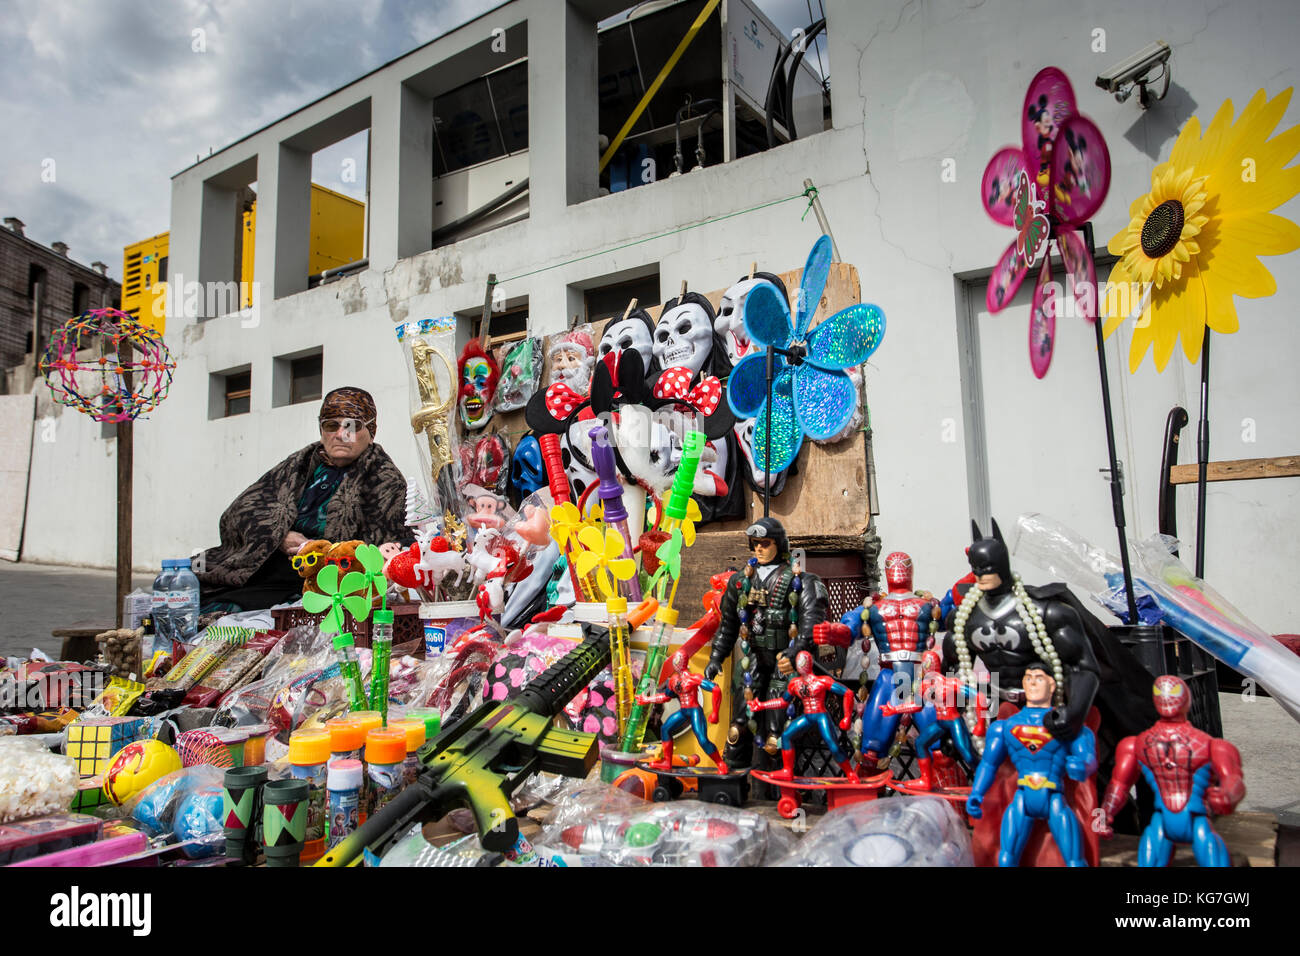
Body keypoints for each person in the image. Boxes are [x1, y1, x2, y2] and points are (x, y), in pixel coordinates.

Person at [197, 387, 411, 613]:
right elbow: (241, 511)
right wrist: (279, 536)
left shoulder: (385, 480)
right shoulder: (302, 463)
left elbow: (388, 550)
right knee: (197, 586)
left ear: (371, 431)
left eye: (351, 426)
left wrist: (320, 552)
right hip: (269, 570)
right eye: (331, 426)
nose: (340, 434)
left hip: (329, 586)